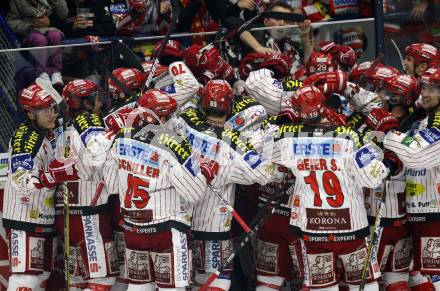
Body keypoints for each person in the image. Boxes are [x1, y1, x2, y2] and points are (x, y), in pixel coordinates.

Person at [269, 85, 391, 290]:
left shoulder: (287, 140)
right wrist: (383, 163)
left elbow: (265, 162)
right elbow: (371, 179)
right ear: (323, 106)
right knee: (365, 282)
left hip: (313, 229)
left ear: (298, 112)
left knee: (322, 287)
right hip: (351, 227)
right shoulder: (348, 137)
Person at [172, 79, 276, 290]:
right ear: (229, 106)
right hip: (214, 228)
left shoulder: (183, 121)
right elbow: (264, 172)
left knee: (190, 282)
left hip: (181, 224)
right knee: (218, 281)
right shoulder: (232, 140)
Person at [103, 89, 209, 291]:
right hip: (165, 231)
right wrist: (204, 172)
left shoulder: (121, 137)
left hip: (133, 230)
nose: (173, 120)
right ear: (160, 117)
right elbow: (194, 194)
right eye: (169, 115)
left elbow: (112, 185)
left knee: (138, 287)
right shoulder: (174, 142)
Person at [371, 68, 440, 290]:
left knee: (435, 275)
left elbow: (417, 155)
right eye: (424, 88)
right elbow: (379, 146)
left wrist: (390, 133)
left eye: (432, 89)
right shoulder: (420, 118)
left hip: (434, 211)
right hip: (418, 211)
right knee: (423, 274)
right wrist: (379, 132)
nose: (425, 94)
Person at [56, 79, 118, 290]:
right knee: (101, 279)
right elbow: (96, 155)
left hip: (67, 214)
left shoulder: (63, 126)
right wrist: (113, 132)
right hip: (89, 215)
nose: (100, 101)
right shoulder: (88, 122)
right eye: (97, 97)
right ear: (86, 103)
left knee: (77, 280)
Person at [2, 84, 60, 290]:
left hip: (43, 217)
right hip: (23, 219)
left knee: (41, 277)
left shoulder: (44, 132)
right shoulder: (26, 138)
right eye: (46, 110)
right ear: (30, 113)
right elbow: (21, 181)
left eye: (53, 108)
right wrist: (53, 175)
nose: (52, 114)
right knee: (25, 279)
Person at [7, 0, 68, 86]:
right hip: (30, 32)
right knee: (40, 39)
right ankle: (42, 74)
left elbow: (64, 14)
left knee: (55, 36)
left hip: (50, 28)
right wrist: (30, 26)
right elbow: (12, 21)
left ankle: (56, 72)